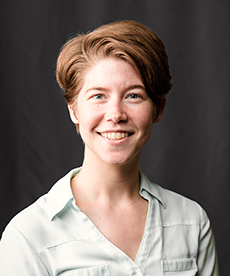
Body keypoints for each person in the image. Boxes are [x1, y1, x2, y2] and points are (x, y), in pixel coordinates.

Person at [0, 20, 219, 275]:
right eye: (98, 96)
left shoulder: (191, 222)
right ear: (74, 110)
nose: (115, 114)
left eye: (133, 95)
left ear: (158, 109)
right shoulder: (28, 235)